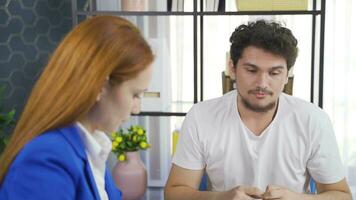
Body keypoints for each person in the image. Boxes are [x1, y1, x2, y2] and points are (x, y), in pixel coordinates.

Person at [165, 19, 352, 200]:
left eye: (274, 73)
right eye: (251, 70)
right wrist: (220, 198)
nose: (262, 83)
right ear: (232, 68)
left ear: (287, 74)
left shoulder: (313, 120)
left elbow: (342, 195)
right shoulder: (201, 116)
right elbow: (174, 193)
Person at [0, 15, 154, 200]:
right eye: (135, 95)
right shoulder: (47, 159)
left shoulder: (90, 149)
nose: (136, 109)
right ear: (100, 87)